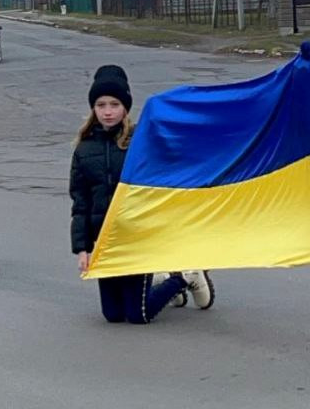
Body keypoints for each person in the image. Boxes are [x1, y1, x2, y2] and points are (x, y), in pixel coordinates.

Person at [69, 65, 215, 323]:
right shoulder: (84, 149)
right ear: (93, 108)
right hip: (106, 241)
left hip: (138, 235)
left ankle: (185, 277)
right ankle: (160, 282)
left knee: (138, 315)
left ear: (125, 107)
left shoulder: (140, 141)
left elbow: (166, 179)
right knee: (113, 316)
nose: (108, 111)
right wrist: (83, 249)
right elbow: (80, 202)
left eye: (114, 104)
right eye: (101, 104)